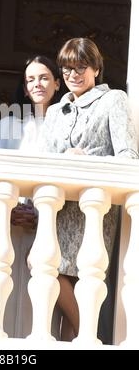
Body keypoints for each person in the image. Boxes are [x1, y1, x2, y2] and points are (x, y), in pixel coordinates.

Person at [39, 37, 138, 341]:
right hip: (57, 207)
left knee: (72, 276)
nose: (73, 75)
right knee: (46, 266)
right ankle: (84, 340)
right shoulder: (55, 111)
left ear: (96, 68)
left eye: (81, 67)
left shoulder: (114, 100)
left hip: (91, 209)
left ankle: (87, 337)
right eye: (67, 69)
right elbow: (43, 159)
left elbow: (128, 156)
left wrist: (88, 160)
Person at [0, 55, 62, 338]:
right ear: (23, 88)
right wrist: (7, 212)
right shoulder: (4, 127)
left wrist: (43, 213)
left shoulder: (67, 128)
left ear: (57, 84)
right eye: (31, 79)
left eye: (44, 77)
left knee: (42, 302)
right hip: (4, 226)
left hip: (48, 227)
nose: (37, 84)